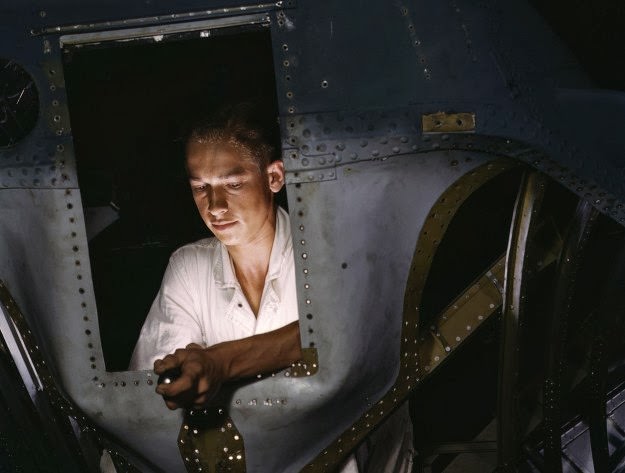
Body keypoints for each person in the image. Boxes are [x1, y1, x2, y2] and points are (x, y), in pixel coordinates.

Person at [129, 105, 412, 472]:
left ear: (274, 177)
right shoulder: (188, 267)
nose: (215, 207)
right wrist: (189, 370)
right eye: (201, 187)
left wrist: (219, 363)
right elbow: (164, 371)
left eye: (233, 184)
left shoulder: (332, 253)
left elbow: (331, 338)